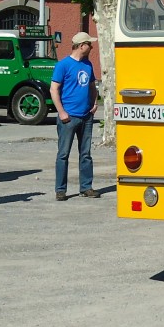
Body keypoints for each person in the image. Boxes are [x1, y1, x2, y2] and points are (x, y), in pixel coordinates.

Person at [50, 31, 101, 201]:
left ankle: (86, 187)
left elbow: (92, 86)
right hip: (69, 117)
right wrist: (61, 111)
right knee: (63, 154)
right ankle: (60, 189)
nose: (91, 47)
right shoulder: (63, 65)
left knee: (85, 154)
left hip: (86, 117)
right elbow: (54, 89)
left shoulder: (88, 65)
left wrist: (94, 103)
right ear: (81, 46)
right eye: (89, 44)